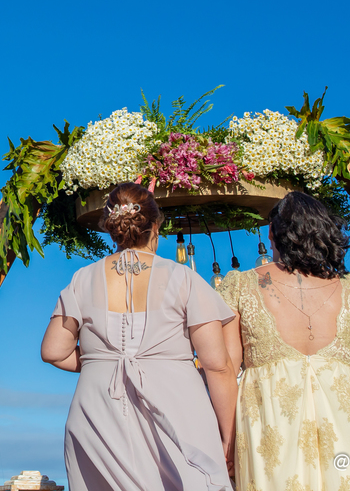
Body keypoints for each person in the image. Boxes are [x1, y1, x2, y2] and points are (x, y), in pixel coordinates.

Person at [41, 182, 238, 491]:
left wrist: (99, 361)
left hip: (97, 413)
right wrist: (229, 434)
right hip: (178, 409)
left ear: (111, 228)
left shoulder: (82, 279)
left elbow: (54, 351)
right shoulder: (183, 278)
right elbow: (217, 364)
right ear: (156, 224)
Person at [218, 191, 350, 491]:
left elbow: (226, 371)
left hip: (270, 422)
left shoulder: (240, 285)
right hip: (346, 425)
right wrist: (326, 376)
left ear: (273, 233)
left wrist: (226, 440)